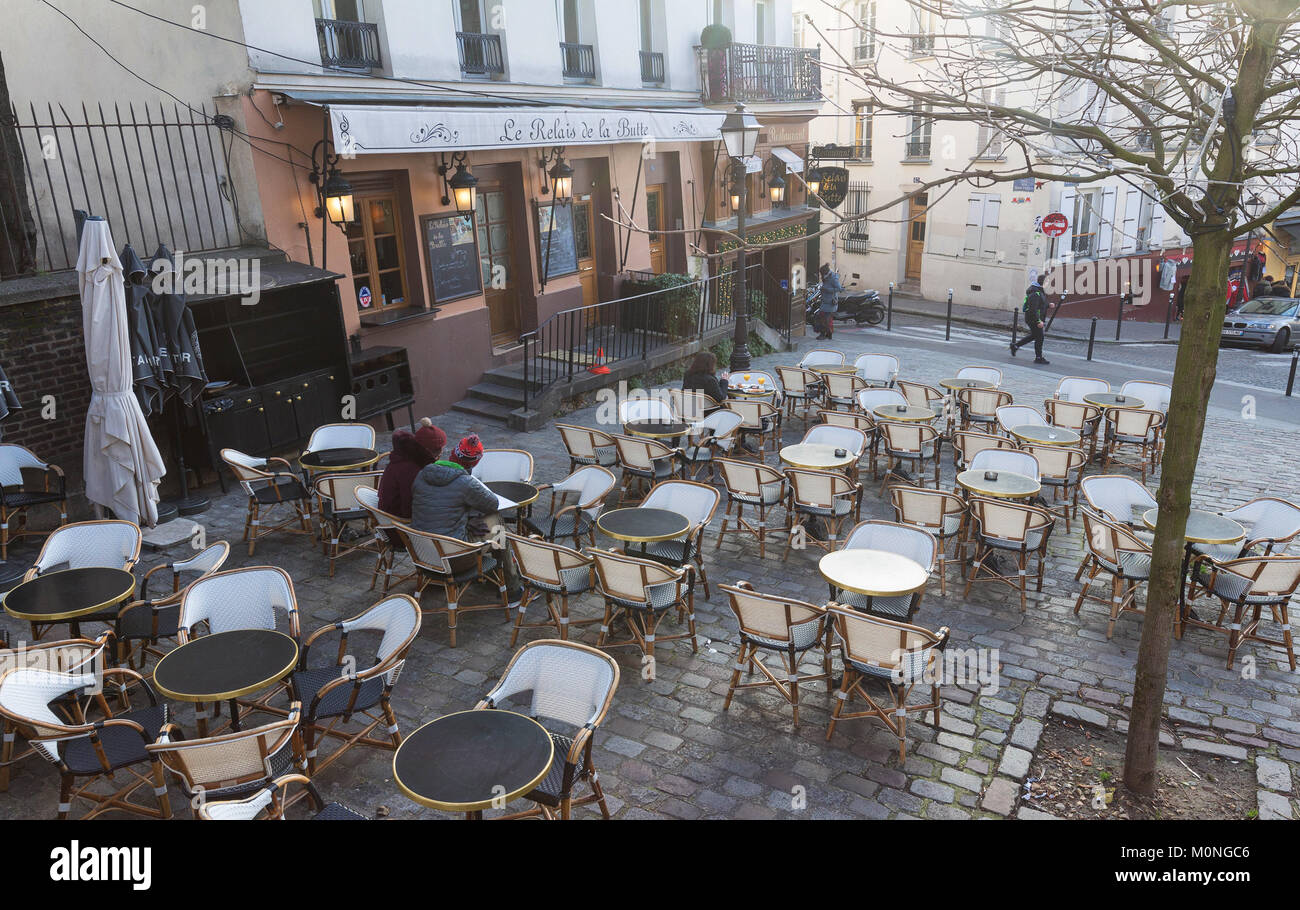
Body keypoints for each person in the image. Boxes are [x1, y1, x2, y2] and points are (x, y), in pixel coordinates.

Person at [411, 434, 522, 598]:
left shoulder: (421, 475)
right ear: (474, 463)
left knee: (479, 525)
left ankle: (500, 575)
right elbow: (492, 504)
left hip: (424, 555)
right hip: (455, 559)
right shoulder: (465, 483)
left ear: (452, 455)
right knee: (497, 524)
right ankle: (511, 589)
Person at [378, 418, 445, 520]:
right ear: (431, 452)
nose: (442, 452)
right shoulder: (411, 470)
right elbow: (408, 509)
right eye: (441, 449)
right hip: (396, 519)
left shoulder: (407, 456)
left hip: (389, 507)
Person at [1010, 276, 1050, 364]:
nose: (1048, 284)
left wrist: (1048, 305)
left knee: (1035, 335)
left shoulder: (1039, 291)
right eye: (1047, 282)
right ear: (1043, 282)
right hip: (1033, 318)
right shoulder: (1035, 293)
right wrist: (1038, 321)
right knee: (1039, 337)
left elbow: (1040, 304)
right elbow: (1033, 309)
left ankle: (1015, 346)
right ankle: (1038, 357)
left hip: (1035, 318)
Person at [817, 264, 841, 340]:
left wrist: (827, 290)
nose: (821, 275)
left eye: (821, 273)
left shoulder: (833, 278)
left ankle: (824, 334)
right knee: (822, 318)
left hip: (831, 302)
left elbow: (839, 288)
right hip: (825, 301)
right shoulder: (827, 277)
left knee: (825, 319)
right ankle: (828, 334)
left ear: (825, 272)